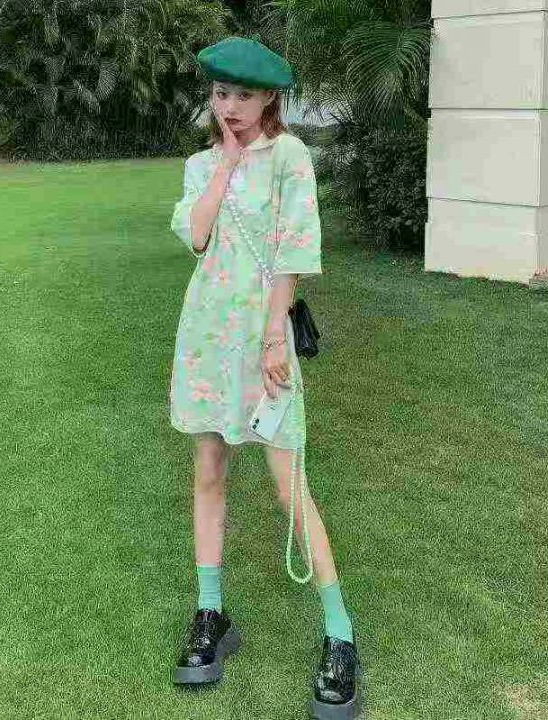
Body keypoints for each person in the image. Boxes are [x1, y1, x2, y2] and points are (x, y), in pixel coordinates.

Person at [167, 37, 363, 719]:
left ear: (269, 97)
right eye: (221, 93)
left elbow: (294, 248)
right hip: (206, 337)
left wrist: (276, 334)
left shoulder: (290, 157)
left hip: (264, 342)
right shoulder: (200, 163)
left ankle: (340, 633)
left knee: (288, 486)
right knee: (209, 471)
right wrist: (223, 165)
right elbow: (196, 237)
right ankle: (210, 614)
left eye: (244, 95)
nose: (230, 106)